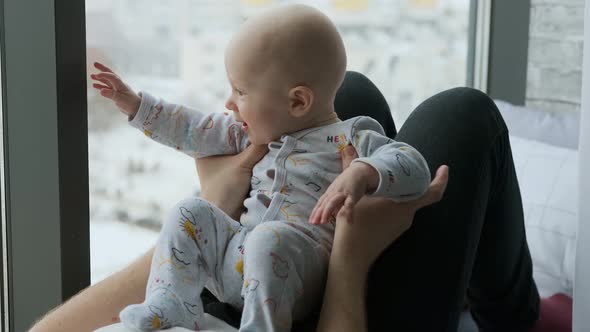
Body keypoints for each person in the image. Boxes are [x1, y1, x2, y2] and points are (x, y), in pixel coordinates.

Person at [30, 33, 539, 332]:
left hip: (236, 277)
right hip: (303, 273)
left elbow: (192, 127)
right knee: (464, 113)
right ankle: (509, 315)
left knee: (346, 95)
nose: (229, 105)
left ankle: (168, 303)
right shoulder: (335, 136)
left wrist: (139, 108)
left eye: (237, 92)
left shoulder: (308, 128)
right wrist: (350, 250)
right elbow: (410, 164)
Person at [89, 4, 432, 331]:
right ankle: (173, 300)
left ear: (297, 101)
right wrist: (137, 106)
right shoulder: (251, 130)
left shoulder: (350, 136)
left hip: (298, 270)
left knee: (269, 238)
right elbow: (193, 129)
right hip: (236, 258)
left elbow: (414, 166)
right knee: (189, 210)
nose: (228, 103)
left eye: (240, 91)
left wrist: (363, 172)